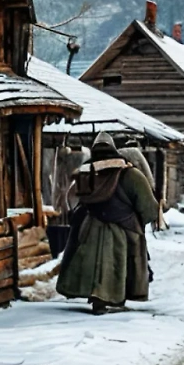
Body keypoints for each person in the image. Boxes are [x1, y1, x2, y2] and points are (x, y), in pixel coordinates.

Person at [57, 133, 160, 314]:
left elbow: (71, 199)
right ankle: (115, 297)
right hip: (123, 228)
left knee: (93, 262)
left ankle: (98, 298)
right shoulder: (131, 174)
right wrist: (137, 222)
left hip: (90, 227)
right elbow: (149, 206)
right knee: (118, 262)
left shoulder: (85, 173)